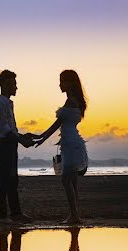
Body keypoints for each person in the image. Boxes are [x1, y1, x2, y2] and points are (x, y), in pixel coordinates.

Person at [33, 70, 89, 225]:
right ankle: (75, 214)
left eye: (62, 81)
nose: (59, 84)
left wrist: (42, 137)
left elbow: (56, 125)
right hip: (71, 142)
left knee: (66, 180)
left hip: (70, 144)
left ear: (70, 83)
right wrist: (42, 137)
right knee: (73, 181)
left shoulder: (70, 101)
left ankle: (74, 215)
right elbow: (58, 125)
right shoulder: (76, 101)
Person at [0, 69, 36, 222]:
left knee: (12, 179)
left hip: (10, 144)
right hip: (5, 145)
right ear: (5, 84)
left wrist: (24, 137)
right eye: (14, 84)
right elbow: (5, 129)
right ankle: (3, 214)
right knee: (5, 179)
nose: (16, 87)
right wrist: (22, 140)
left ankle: (14, 213)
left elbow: (12, 129)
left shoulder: (8, 103)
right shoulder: (0, 104)